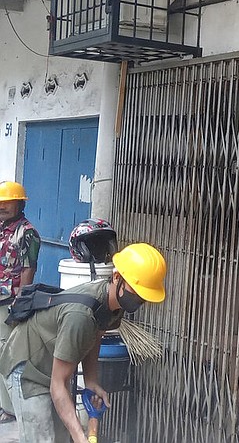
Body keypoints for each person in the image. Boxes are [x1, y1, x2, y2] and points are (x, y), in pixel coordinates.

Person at [0, 241, 167, 443]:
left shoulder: (113, 303)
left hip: (52, 364)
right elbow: (58, 385)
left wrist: (91, 381)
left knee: (61, 436)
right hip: (26, 365)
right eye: (137, 292)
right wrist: (80, 437)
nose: (140, 300)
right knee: (42, 438)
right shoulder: (80, 316)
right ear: (117, 277)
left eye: (144, 296)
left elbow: (95, 336)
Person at [0, 181, 40, 424]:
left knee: (7, 354)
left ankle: (11, 409)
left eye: (8, 201)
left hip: (10, 302)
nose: (3, 206)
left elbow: (28, 269)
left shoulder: (27, 233)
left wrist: (20, 305)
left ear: (20, 203)